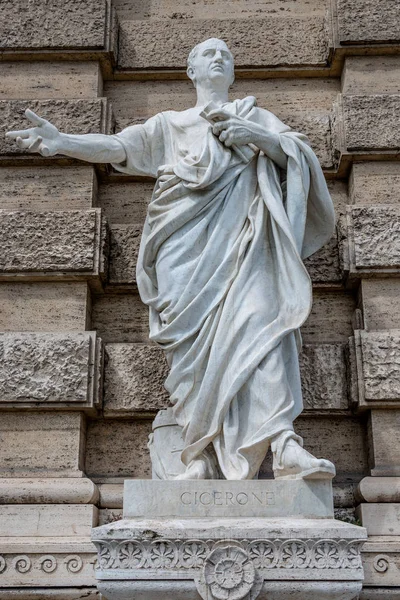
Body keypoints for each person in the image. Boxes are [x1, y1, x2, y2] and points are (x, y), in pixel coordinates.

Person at [6, 38, 336, 481]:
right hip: (182, 255)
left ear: (233, 73)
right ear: (191, 72)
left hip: (246, 248)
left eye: (226, 55)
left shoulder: (255, 117)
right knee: (192, 359)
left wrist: (255, 136)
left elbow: (301, 157)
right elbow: (117, 148)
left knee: (266, 327)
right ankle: (195, 457)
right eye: (207, 54)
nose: (218, 58)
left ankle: (283, 444)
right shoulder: (170, 125)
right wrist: (64, 141)